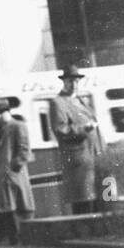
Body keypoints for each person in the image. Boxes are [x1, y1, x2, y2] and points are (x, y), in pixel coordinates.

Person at [49, 65, 104, 215]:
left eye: (76, 81)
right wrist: (84, 128)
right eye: (70, 81)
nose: (74, 84)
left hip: (92, 157)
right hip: (78, 161)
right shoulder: (58, 102)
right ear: (64, 82)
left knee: (98, 200)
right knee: (83, 203)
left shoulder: (81, 100)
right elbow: (60, 130)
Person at [0, 97, 35, 246]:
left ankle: (22, 242)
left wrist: (12, 169)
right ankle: (15, 241)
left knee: (19, 211)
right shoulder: (1, 130)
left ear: (7, 112)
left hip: (14, 179)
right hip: (5, 179)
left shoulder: (18, 126)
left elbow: (24, 150)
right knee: (9, 212)